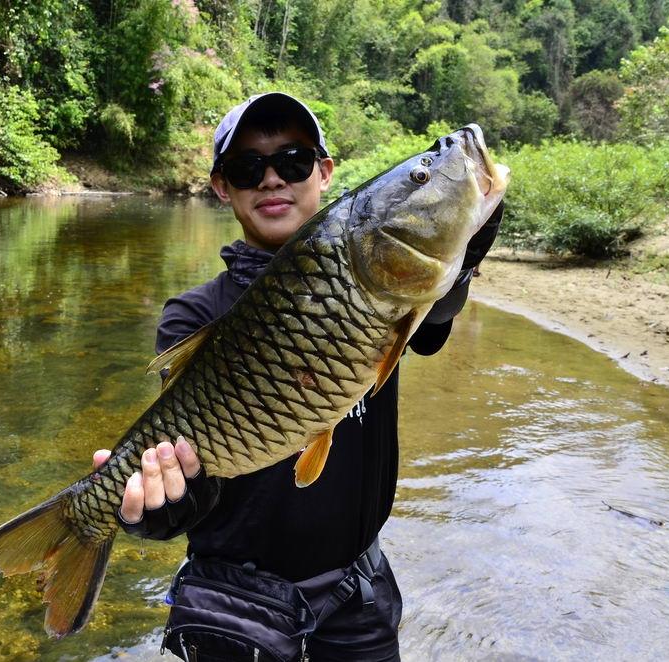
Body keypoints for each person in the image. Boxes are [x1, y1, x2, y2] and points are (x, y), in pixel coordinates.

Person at [93, 92, 502, 661]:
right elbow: (203, 478)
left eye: (293, 162)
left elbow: (433, 316)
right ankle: (82, 520)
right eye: (246, 167)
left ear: (324, 172)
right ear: (222, 187)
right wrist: (160, 507)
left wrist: (466, 243)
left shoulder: (378, 281)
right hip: (237, 603)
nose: (271, 180)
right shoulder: (192, 316)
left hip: (359, 592)